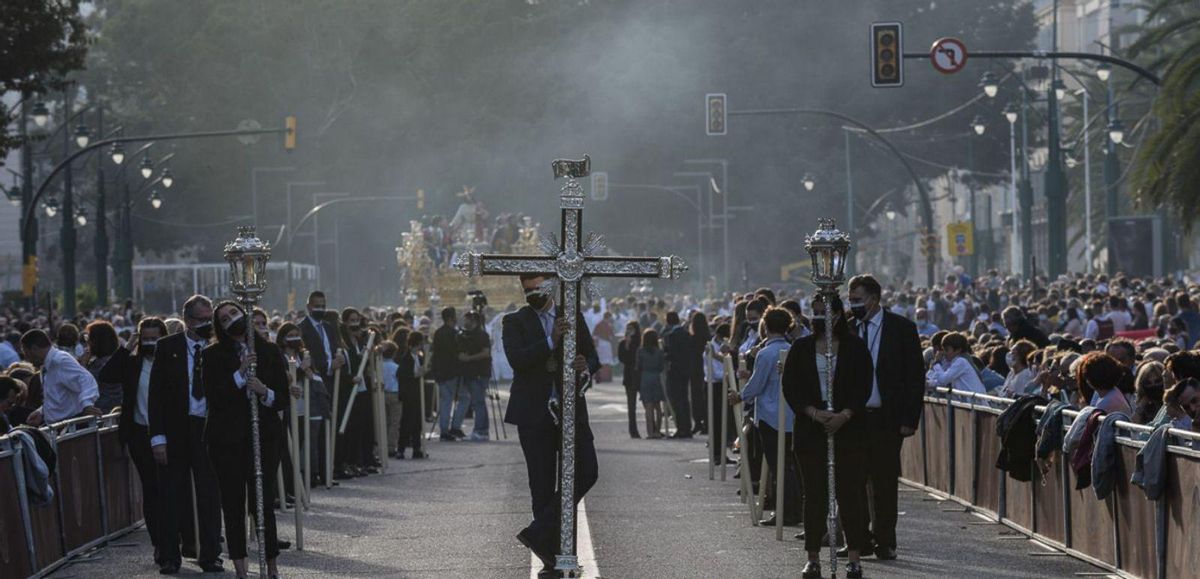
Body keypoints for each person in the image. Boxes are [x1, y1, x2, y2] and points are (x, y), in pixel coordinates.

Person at [504, 273, 599, 578]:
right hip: (534, 412)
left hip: (571, 409)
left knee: (587, 470)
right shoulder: (515, 321)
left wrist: (586, 364)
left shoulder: (571, 316)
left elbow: (593, 356)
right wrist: (551, 341)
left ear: (552, 288)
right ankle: (552, 556)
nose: (533, 294)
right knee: (542, 484)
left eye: (538, 289)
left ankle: (538, 531)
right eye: (527, 290)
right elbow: (517, 359)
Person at [782, 294, 872, 579]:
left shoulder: (855, 347)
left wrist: (844, 414)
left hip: (848, 429)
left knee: (850, 495)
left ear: (838, 315)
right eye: (816, 312)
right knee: (815, 495)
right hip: (811, 429)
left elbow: (863, 385)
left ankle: (854, 557)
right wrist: (813, 412)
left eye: (826, 312)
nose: (821, 317)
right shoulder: (801, 347)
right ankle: (813, 557)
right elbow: (791, 386)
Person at [203, 301, 289, 579]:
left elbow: (282, 399)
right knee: (233, 503)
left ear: (245, 314)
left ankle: (271, 566)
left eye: (234, 313)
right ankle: (241, 568)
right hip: (226, 442)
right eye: (224, 318)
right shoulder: (213, 355)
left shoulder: (270, 351)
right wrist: (239, 374)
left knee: (262, 503)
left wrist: (265, 392)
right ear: (220, 326)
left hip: (263, 438)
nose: (231, 319)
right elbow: (214, 397)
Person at [846, 274, 925, 560]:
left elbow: (915, 376)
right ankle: (858, 538)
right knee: (852, 481)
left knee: (883, 481)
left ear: (874, 299)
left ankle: (885, 540)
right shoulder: (847, 328)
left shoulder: (901, 329)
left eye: (858, 300)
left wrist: (909, 418)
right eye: (850, 299)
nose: (853, 305)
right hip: (853, 418)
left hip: (887, 418)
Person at [148, 295, 223, 574]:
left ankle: (210, 554)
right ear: (187, 320)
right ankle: (169, 555)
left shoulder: (219, 347)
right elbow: (155, 396)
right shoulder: (167, 347)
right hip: (175, 431)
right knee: (170, 495)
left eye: (209, 319)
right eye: (201, 319)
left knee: (209, 494)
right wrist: (157, 438)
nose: (206, 324)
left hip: (207, 430)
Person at [99, 316, 169, 566]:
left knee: (170, 490)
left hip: (171, 434)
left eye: (156, 338)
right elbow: (107, 375)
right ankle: (160, 544)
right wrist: (127, 347)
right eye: (146, 339)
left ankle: (178, 538)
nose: (151, 343)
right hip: (140, 433)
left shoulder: (172, 363)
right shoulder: (132, 363)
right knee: (152, 490)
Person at [728, 307, 801, 526]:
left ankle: (787, 511)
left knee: (779, 466)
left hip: (770, 416)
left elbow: (757, 385)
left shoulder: (766, 353)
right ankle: (792, 509)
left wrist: (740, 396)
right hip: (789, 415)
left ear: (766, 327)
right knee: (788, 465)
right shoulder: (791, 349)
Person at [20, 329, 100, 425]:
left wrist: (87, 405)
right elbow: (58, 396)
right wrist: (41, 412)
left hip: (70, 427)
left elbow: (86, 379)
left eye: (27, 353)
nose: (27, 359)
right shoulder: (47, 366)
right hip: (58, 427)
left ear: (34, 349)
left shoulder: (60, 361)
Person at [431, 307, 467, 441]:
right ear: (452, 318)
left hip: (440, 371)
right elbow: (459, 351)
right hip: (453, 372)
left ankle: (444, 430)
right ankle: (455, 426)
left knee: (445, 401)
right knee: (465, 397)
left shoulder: (438, 333)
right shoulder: (455, 333)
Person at [458, 311, 492, 441]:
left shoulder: (482, 335)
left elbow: (485, 353)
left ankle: (480, 431)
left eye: (466, 320)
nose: (464, 322)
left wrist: (468, 358)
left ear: (473, 320)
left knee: (478, 403)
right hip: (472, 373)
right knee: (478, 402)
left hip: (479, 373)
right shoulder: (467, 335)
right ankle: (482, 431)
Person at [661, 311, 694, 438]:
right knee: (684, 400)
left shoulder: (670, 336)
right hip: (685, 370)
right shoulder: (687, 334)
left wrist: (665, 353)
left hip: (674, 371)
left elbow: (671, 354)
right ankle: (687, 428)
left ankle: (681, 428)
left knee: (676, 400)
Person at [396, 331, 428, 459]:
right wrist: (416, 374)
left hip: (417, 394)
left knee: (417, 422)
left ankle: (417, 448)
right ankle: (401, 449)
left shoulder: (418, 357)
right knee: (406, 422)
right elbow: (401, 374)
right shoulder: (407, 358)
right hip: (409, 394)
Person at [83, 320, 124, 412]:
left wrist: (83, 365)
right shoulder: (118, 358)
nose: (87, 342)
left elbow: (84, 384)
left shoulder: (99, 365)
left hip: (102, 412)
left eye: (88, 338)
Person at [638, 329, 666, 438]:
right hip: (656, 377)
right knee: (657, 407)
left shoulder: (640, 351)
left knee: (648, 407)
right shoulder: (659, 352)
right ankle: (658, 431)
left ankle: (650, 432)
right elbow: (661, 366)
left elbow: (638, 366)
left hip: (645, 377)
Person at [617, 320, 642, 438]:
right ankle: (633, 430)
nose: (630, 331)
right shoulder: (623, 343)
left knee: (650, 403)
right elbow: (623, 359)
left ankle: (653, 429)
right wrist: (627, 344)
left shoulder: (640, 342)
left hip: (641, 375)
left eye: (632, 329)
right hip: (629, 376)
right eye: (628, 329)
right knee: (631, 406)